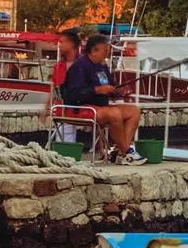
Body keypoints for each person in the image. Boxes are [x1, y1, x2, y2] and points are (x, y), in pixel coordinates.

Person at [61, 33, 143, 163]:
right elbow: (73, 94)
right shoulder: (79, 67)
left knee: (134, 111)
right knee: (114, 114)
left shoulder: (102, 66)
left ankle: (121, 153)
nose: (108, 53)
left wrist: (118, 91)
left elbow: (110, 86)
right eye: (105, 50)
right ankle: (127, 152)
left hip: (101, 107)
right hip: (79, 108)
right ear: (94, 51)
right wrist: (97, 90)